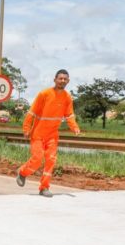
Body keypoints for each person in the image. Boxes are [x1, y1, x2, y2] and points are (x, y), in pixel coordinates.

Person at [16, 69, 81, 197]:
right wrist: (26, 128)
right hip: (38, 134)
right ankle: (22, 172)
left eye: (65, 79)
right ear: (55, 79)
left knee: (51, 160)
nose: (62, 80)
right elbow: (32, 112)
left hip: (52, 135)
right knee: (37, 159)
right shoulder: (44, 94)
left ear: (68, 81)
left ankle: (44, 188)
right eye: (60, 78)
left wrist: (74, 127)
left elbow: (69, 115)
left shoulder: (67, 97)